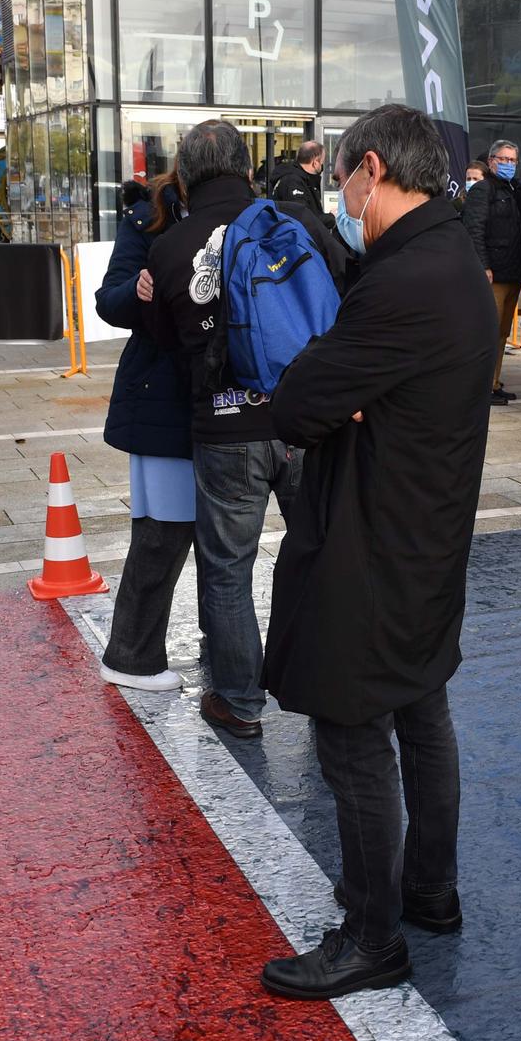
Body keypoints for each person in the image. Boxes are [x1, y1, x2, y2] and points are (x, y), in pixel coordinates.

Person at [258, 103, 496, 1000]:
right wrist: (341, 386)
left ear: (371, 169)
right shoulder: (449, 259)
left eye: (347, 180)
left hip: (373, 537)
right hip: (427, 533)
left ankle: (371, 932)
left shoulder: (404, 278)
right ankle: (427, 890)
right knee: (421, 709)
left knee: (354, 730)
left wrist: (332, 385)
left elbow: (300, 401)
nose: (343, 195)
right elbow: (335, 389)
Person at [142, 118, 345, 740]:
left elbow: (165, 348)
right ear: (246, 167)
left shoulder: (171, 248)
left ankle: (238, 700)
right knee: (321, 552)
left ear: (188, 172)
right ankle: (331, 687)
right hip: (304, 418)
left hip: (226, 425)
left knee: (228, 566)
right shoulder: (296, 224)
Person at [94, 173, 193, 691]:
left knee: (226, 541)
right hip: (161, 395)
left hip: (229, 396)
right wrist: (136, 288)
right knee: (162, 532)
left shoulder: (250, 215)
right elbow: (108, 301)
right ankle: (131, 655)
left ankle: (224, 645)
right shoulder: (147, 218)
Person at [461, 139, 521, 405]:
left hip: (513, 273)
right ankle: (479, 387)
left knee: (501, 333)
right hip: (492, 274)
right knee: (487, 332)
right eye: (503, 159)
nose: (508, 164)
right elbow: (474, 229)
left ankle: (492, 383)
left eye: (512, 160)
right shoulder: (482, 191)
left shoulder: (518, 191)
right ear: (491, 161)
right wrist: (483, 265)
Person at [268, 140, 325, 216]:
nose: (322, 166)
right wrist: (331, 218)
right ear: (315, 163)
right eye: (322, 162)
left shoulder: (304, 180)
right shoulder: (293, 182)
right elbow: (303, 217)